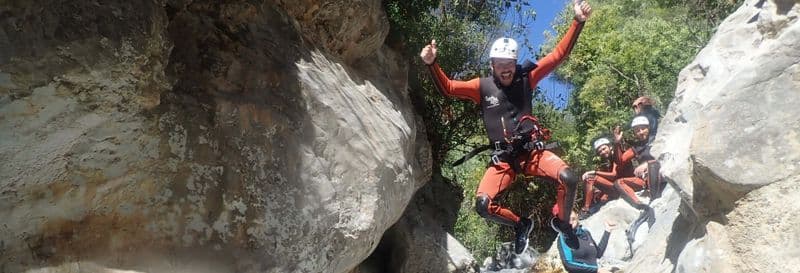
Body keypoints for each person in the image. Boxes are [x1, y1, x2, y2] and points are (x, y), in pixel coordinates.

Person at [419, 0, 593, 254]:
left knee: (569, 177)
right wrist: (432, 63)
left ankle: (563, 223)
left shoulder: (527, 79)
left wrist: (577, 21)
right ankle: (521, 225)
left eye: (509, 63)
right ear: (492, 65)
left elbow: (558, 56)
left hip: (532, 153)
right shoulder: (482, 87)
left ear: (515, 63)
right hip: (504, 160)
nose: (505, 69)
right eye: (500, 64)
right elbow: (449, 88)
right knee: (482, 205)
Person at [556, 209, 617, 273]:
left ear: (577, 215)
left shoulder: (585, 233)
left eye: (569, 212)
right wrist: (597, 270)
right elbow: (568, 264)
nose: (568, 217)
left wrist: (607, 230)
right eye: (565, 216)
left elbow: (598, 253)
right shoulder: (563, 238)